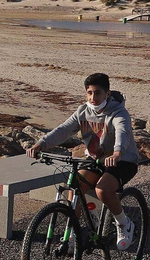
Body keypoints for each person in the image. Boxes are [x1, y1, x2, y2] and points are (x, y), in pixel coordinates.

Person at [28, 72, 141, 250]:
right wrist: (41, 145)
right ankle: (73, 234)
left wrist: (118, 153)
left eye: (97, 93)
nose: (93, 97)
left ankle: (124, 224)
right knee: (75, 185)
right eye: (89, 93)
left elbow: (123, 133)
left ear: (107, 94)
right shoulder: (83, 112)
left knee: (103, 190)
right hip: (95, 161)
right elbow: (63, 130)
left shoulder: (119, 112)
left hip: (123, 161)